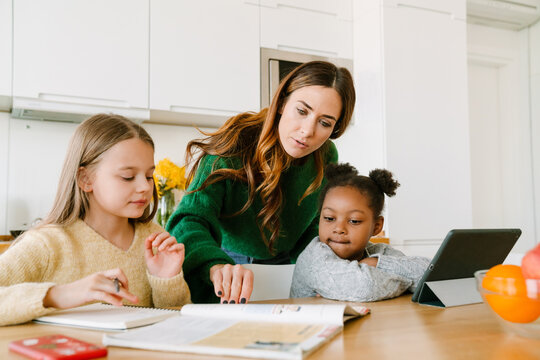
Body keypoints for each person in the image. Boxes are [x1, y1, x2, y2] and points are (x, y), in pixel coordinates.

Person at [167, 61, 356, 304]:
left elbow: (313, 227)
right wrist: (215, 266)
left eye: (325, 123)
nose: (308, 131)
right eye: (302, 111)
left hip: (285, 268)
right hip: (225, 265)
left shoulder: (326, 155)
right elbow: (190, 219)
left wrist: (318, 268)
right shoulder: (235, 143)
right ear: (281, 103)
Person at [0, 114, 191, 326]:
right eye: (128, 176)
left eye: (148, 176)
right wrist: (57, 294)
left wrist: (166, 281)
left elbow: (177, 325)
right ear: (85, 179)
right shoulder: (48, 244)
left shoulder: (157, 240)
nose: (145, 187)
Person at [290, 163, 430, 302]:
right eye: (329, 218)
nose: (339, 228)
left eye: (354, 221)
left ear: (376, 226)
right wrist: (407, 282)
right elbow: (365, 287)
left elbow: (430, 273)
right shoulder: (314, 258)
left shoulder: (375, 251)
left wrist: (375, 264)